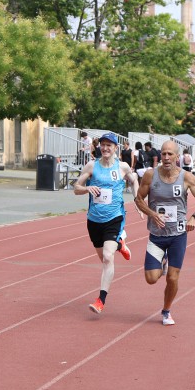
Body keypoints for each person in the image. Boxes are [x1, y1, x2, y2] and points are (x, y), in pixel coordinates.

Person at [135, 140, 195, 325]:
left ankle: (166, 311)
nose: (166, 157)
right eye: (164, 154)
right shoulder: (150, 175)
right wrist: (152, 214)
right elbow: (138, 199)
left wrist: (194, 218)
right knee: (151, 278)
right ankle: (163, 261)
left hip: (178, 236)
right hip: (157, 236)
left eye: (170, 154)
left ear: (177, 156)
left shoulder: (186, 177)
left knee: (173, 277)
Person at [73, 132, 137, 315]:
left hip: (114, 217)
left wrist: (138, 200)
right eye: (103, 145)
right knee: (104, 259)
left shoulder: (122, 166)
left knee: (108, 257)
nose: (106, 148)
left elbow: (134, 180)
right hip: (94, 220)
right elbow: (76, 188)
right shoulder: (92, 166)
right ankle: (120, 244)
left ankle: (101, 300)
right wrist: (87, 188)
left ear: (115, 148)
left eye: (109, 145)